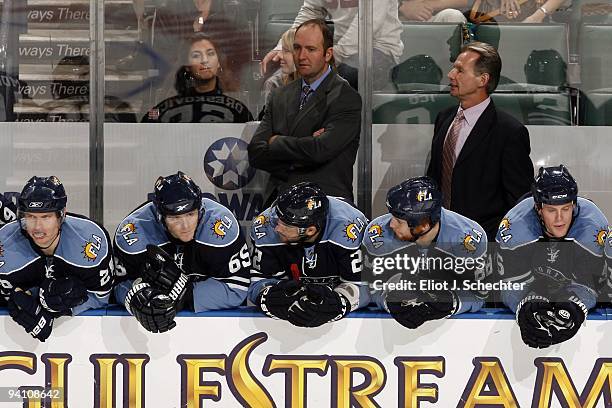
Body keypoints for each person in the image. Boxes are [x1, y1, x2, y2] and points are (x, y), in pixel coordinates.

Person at [113, 171, 250, 333]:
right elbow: (117, 286)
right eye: (175, 218)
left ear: (201, 208)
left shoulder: (221, 228)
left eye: (191, 214)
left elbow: (236, 288)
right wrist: (137, 296)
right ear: (159, 215)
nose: (185, 226)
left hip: (214, 330)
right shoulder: (133, 235)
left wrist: (185, 295)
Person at [426, 41, 534, 240]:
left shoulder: (510, 132)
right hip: (438, 239)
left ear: (482, 79)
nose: (450, 75)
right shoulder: (444, 118)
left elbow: (519, 203)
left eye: (460, 70)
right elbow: (435, 178)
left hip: (484, 242)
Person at [248, 19, 362, 204]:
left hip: (327, 204)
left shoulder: (345, 96)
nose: (301, 56)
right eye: (297, 48)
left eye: (311, 49)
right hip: (280, 202)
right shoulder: (279, 95)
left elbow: (320, 150)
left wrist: (276, 142)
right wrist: (306, 146)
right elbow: (256, 152)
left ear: (328, 54)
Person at [495, 165, 608, 348]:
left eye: (565, 209)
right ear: (538, 208)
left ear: (574, 205)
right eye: (551, 210)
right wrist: (525, 306)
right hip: (531, 282)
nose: (559, 219)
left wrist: (575, 307)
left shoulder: (594, 226)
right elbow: (509, 284)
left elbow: (590, 284)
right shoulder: (514, 226)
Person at [363, 177, 488, 329]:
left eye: (399, 221)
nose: (391, 224)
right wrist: (390, 300)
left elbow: (479, 296)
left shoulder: (469, 240)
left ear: (423, 225)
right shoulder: (377, 235)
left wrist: (449, 302)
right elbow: (370, 288)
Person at [0, 176, 114, 342]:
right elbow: (11, 296)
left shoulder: (89, 242)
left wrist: (60, 310)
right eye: (31, 217)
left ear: (62, 215)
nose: (37, 228)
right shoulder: (4, 245)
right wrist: (19, 303)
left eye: (46, 217)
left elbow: (101, 296)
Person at [248, 182, 369, 328]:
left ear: (310, 230)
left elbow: (365, 285)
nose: (277, 228)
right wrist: (270, 297)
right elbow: (258, 282)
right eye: (277, 218)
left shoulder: (348, 229)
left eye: (286, 225)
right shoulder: (265, 226)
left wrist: (335, 304)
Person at [259, 0, 403, 91]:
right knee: (278, 77)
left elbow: (367, 23)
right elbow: (310, 12)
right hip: (335, 50)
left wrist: (330, 58)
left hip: (379, 49)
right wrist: (283, 48)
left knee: (345, 75)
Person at [142, 33, 253, 123]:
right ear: (187, 66)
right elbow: (145, 133)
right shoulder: (164, 108)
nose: (204, 60)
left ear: (219, 62)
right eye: (196, 55)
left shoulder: (238, 109)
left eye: (210, 54)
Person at [261, 28, 298, 107]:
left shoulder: (324, 84)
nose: (280, 55)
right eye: (281, 50)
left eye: (286, 51)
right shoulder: (274, 84)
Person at [399, 0, 468, 22]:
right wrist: (402, 7)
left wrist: (430, 5)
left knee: (453, 16)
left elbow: (472, 2)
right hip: (396, 16)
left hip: (435, 16)